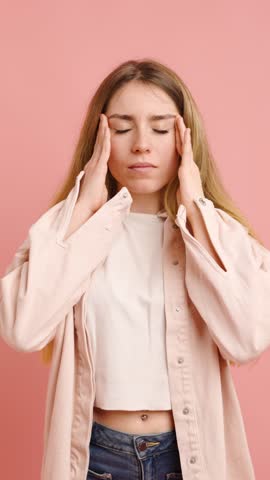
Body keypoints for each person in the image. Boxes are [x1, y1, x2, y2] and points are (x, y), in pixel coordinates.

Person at [1, 58, 269, 480]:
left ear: (185, 139)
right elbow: (21, 327)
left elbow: (249, 338)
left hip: (186, 458)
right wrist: (83, 208)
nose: (141, 144)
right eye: (123, 129)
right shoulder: (74, 231)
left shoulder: (213, 232)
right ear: (99, 137)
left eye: (161, 129)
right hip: (96, 459)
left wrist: (197, 207)